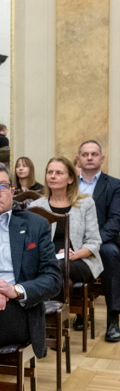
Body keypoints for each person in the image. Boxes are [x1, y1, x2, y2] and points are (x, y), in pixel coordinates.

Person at [0, 162, 61, 355]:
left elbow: (53, 279)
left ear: (12, 192)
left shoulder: (35, 225)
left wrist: (14, 290)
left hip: (16, 308)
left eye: (3, 186)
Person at [29, 157, 103, 310]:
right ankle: (58, 317)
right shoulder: (37, 206)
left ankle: (45, 316)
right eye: (50, 172)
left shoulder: (85, 204)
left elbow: (94, 241)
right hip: (47, 260)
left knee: (59, 265)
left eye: (58, 173)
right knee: (65, 281)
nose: (52, 176)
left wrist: (74, 254)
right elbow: (30, 241)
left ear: (70, 179)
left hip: (81, 260)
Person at [75, 140, 120, 341]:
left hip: (104, 241)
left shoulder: (115, 185)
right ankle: (79, 313)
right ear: (78, 159)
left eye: (94, 154)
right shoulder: (70, 184)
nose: (90, 157)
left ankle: (113, 320)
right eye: (85, 154)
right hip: (75, 241)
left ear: (102, 158)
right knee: (66, 255)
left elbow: (115, 220)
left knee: (111, 255)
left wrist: (94, 243)